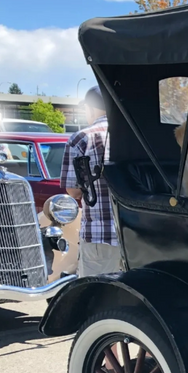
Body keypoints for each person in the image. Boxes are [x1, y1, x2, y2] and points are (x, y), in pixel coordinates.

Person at [61, 86, 121, 276]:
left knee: (98, 298)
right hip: (134, 236)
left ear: (90, 110)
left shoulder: (82, 138)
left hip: (98, 235)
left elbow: (74, 191)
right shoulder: (133, 136)